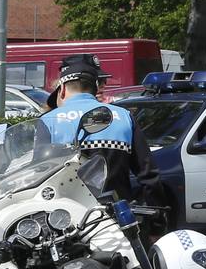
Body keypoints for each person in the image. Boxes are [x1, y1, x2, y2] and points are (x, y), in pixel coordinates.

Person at [39, 54, 158, 203]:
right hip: (117, 217)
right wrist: (157, 215)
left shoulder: (49, 120)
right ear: (95, 88)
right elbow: (148, 176)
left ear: (62, 88)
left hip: (70, 216)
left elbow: (40, 174)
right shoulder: (124, 116)